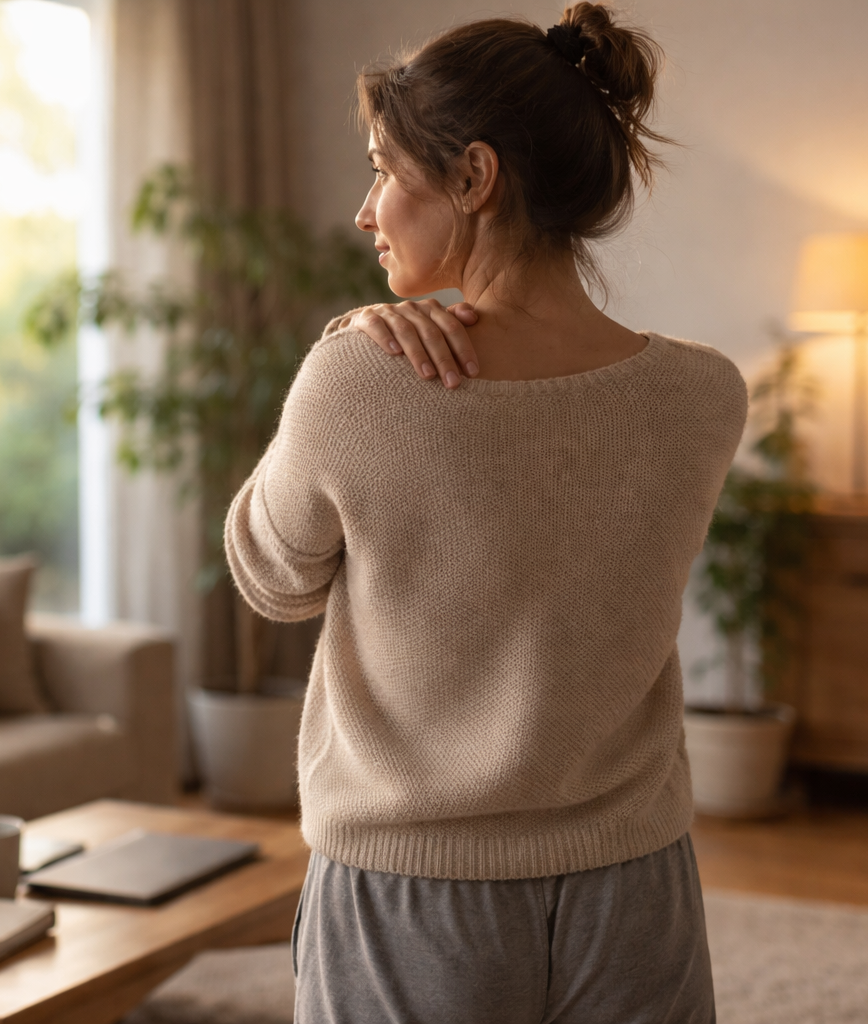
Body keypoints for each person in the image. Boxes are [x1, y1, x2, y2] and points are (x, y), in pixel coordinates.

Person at [223, 5, 748, 1023]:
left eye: (385, 168)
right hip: (635, 885)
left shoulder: (358, 383)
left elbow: (271, 577)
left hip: (410, 894)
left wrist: (342, 345)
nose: (366, 212)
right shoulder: (704, 396)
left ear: (473, 177)